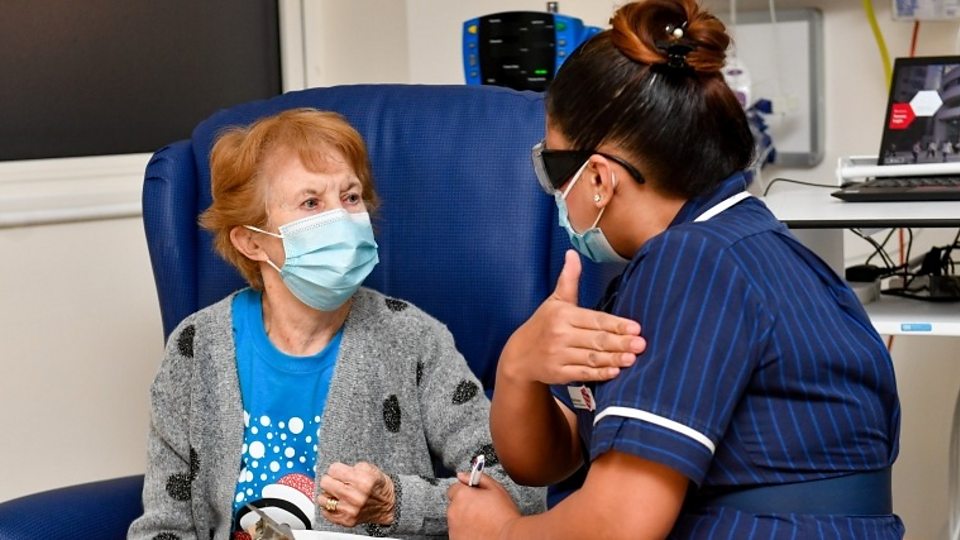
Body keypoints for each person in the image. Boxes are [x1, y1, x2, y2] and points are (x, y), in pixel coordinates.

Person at [446, 0, 903, 538]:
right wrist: (519, 365)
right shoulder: (747, 245)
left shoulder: (692, 263)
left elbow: (620, 524)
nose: (552, 192)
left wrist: (497, 532)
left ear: (597, 177)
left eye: (552, 164)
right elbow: (558, 456)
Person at [127, 108, 546, 539]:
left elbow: (519, 489)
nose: (344, 219)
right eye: (312, 202)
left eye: (350, 197)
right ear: (251, 240)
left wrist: (396, 504)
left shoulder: (413, 339)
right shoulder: (196, 348)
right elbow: (163, 526)